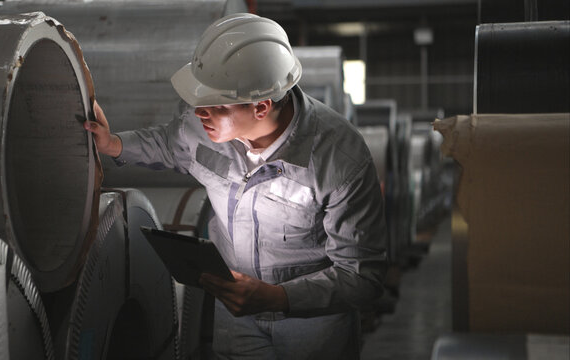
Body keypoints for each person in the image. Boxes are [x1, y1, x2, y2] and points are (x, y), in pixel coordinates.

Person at [85, 13, 388, 360]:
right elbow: (169, 144)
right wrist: (112, 144)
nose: (199, 112)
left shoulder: (340, 159)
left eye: (214, 105)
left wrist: (277, 298)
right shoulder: (204, 128)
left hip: (313, 326)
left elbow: (362, 277)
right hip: (236, 317)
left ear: (261, 106)